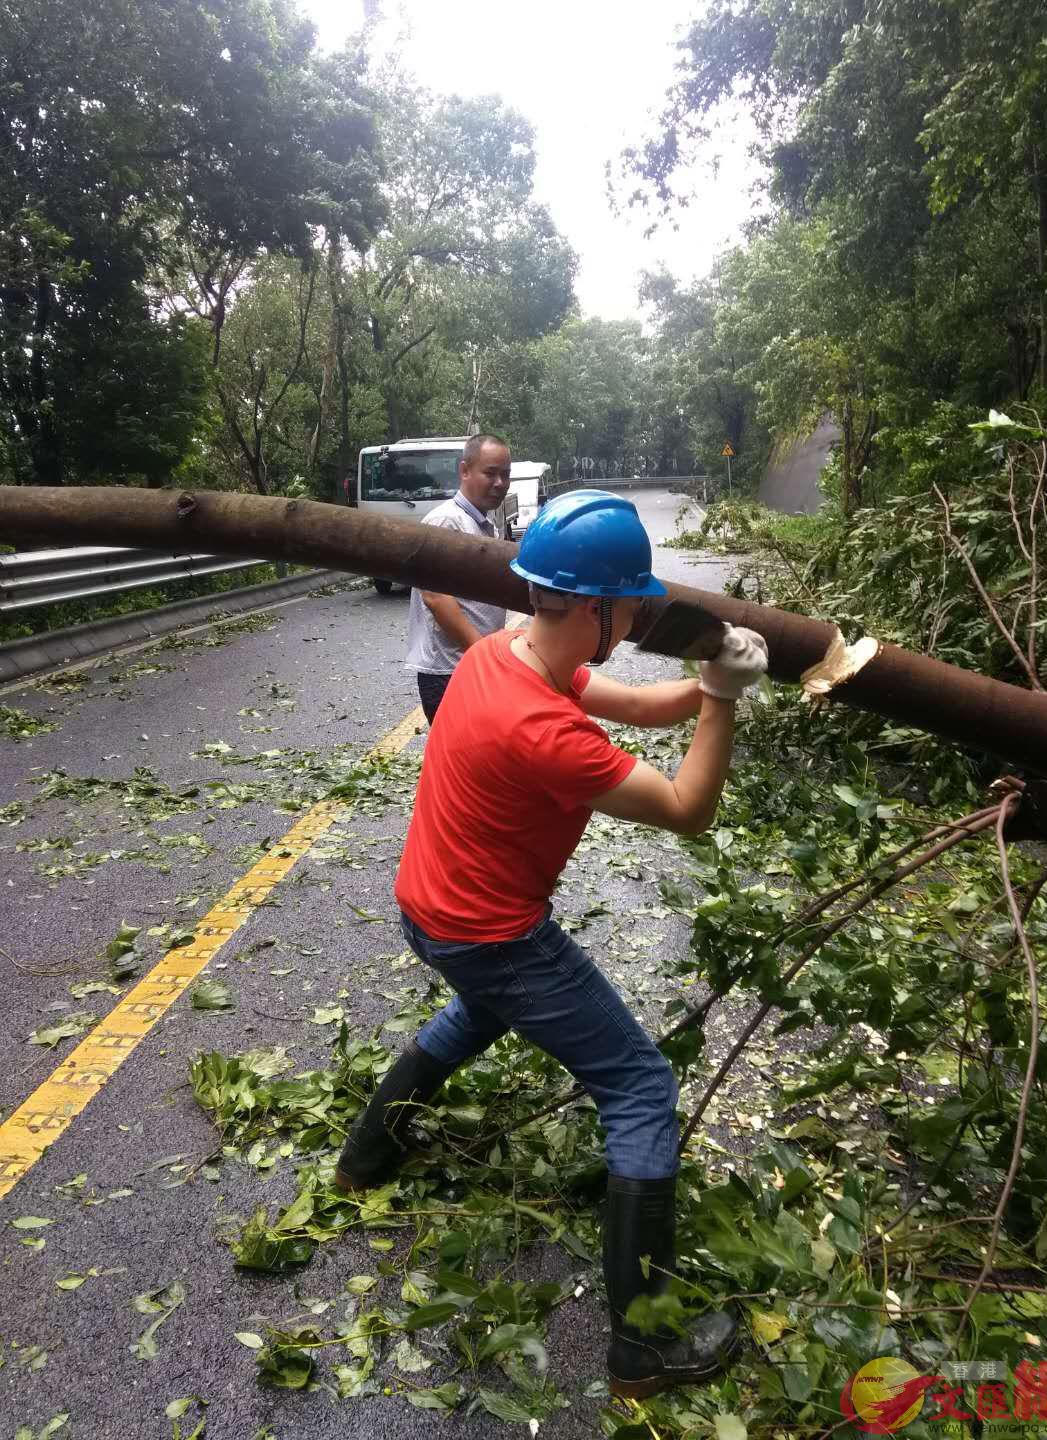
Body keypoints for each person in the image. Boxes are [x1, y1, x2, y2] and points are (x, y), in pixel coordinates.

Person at [337, 489, 768, 1398]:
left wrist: (711, 681)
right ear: (603, 609)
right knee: (641, 1084)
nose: (644, 613)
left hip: (430, 909)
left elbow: (640, 708)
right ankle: (644, 1347)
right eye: (635, 601)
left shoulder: (507, 652)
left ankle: (365, 1157)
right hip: (492, 932)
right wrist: (724, 705)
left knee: (481, 1015)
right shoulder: (545, 732)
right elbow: (690, 810)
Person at [405, 433, 512, 724]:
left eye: (505, 474)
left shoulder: (484, 521)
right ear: (465, 471)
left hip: (471, 667)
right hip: (449, 673)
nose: (500, 483)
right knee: (461, 762)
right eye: (490, 473)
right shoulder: (446, 522)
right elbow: (436, 598)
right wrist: (485, 655)